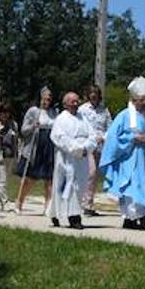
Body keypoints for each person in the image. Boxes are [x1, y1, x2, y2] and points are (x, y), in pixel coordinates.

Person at [100, 77, 145, 230]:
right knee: (133, 188)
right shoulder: (124, 116)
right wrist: (133, 138)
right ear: (134, 100)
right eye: (141, 100)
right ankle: (138, 217)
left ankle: (132, 219)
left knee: (143, 186)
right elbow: (113, 138)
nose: (144, 103)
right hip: (131, 160)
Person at [51, 91, 95, 229]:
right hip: (67, 159)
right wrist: (76, 149)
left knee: (80, 186)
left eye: (77, 101)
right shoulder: (61, 119)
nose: (76, 104)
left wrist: (86, 148)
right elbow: (59, 137)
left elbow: (93, 135)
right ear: (65, 104)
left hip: (82, 159)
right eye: (72, 101)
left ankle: (67, 214)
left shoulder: (83, 117)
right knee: (67, 186)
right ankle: (73, 217)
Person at [17, 88, 57, 214]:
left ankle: (48, 205)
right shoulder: (33, 111)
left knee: (49, 179)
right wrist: (33, 125)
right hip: (36, 146)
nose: (47, 101)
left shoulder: (54, 112)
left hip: (50, 145)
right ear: (40, 98)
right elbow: (23, 130)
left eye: (49, 99)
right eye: (45, 99)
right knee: (30, 178)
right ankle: (19, 202)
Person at [77, 85, 110, 217]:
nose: (93, 95)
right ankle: (83, 203)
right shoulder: (83, 109)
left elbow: (110, 127)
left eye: (95, 93)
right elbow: (79, 126)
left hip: (99, 146)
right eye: (91, 93)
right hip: (87, 146)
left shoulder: (104, 111)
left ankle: (88, 204)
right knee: (90, 173)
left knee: (94, 177)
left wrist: (104, 137)